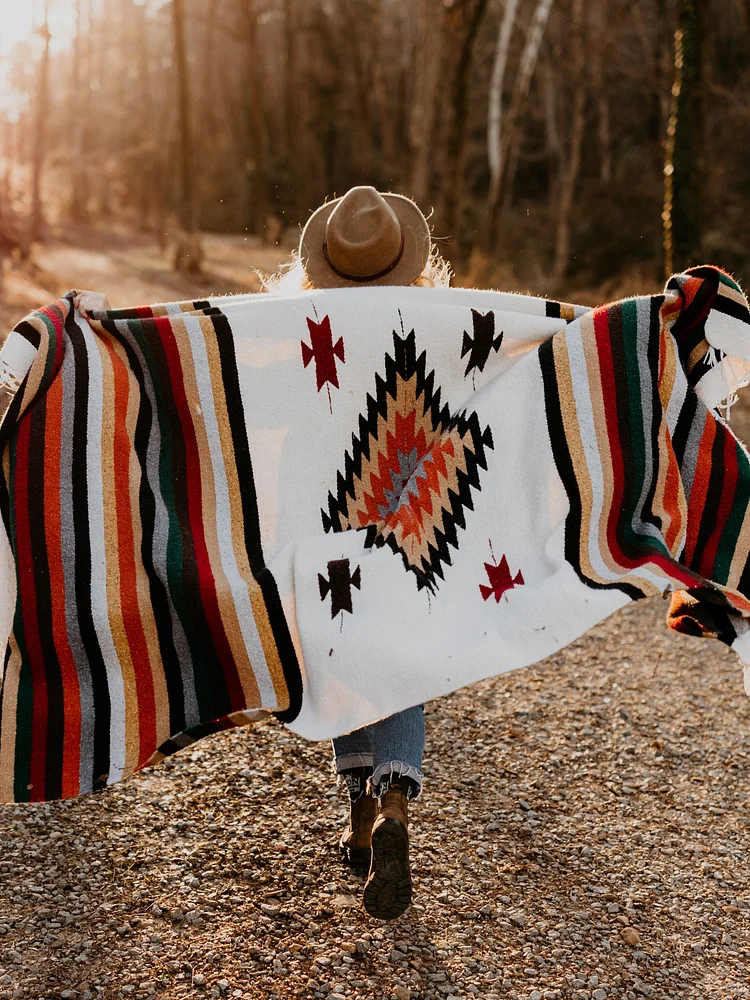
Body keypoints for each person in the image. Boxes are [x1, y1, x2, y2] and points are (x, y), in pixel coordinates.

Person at [267, 186, 451, 920]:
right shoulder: (434, 330)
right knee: (400, 667)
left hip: (329, 527)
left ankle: (355, 825)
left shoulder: (309, 332)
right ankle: (395, 808)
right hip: (411, 521)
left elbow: (279, 420)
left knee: (341, 658)